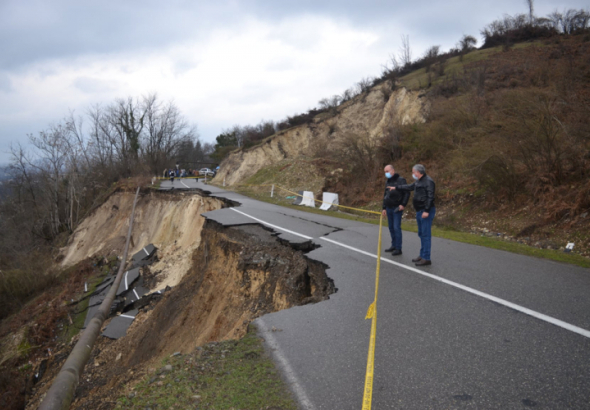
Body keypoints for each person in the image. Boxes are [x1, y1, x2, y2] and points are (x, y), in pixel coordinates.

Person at [390, 164, 436, 266]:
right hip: (419, 210)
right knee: (421, 233)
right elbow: (410, 186)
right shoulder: (418, 181)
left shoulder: (428, 181)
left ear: (418, 172)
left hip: (425, 211)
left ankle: (426, 257)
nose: (412, 174)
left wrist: (427, 210)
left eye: (413, 172)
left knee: (426, 234)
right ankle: (422, 254)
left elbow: (430, 196)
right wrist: (396, 187)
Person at [381, 165, 409, 256]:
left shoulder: (401, 180)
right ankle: (393, 245)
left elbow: (406, 192)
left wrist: (403, 204)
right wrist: (384, 207)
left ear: (393, 170)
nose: (386, 173)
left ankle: (398, 248)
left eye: (387, 171)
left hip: (397, 207)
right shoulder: (387, 181)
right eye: (385, 171)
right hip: (389, 207)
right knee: (391, 227)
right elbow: (386, 195)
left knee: (396, 227)